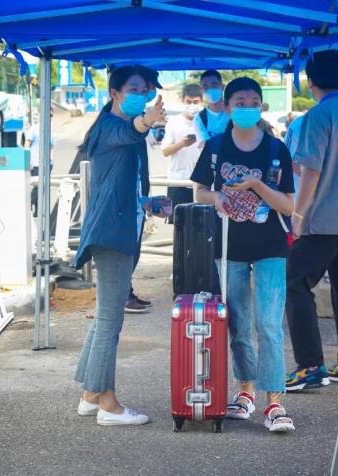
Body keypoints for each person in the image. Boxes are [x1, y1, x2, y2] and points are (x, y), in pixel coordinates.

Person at [191, 77, 296, 432]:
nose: (247, 106)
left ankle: (275, 402)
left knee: (268, 324)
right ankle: (246, 391)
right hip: (228, 247)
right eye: (240, 101)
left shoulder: (276, 149)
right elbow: (200, 192)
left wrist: (256, 185)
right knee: (237, 324)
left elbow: (288, 205)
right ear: (228, 105)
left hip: (271, 247)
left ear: (261, 106)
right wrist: (218, 198)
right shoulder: (216, 147)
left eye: (253, 100)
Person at [72, 66, 169, 426]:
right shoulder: (111, 127)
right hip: (111, 236)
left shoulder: (117, 131)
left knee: (104, 320)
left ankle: (90, 394)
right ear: (115, 92)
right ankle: (108, 405)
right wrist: (147, 120)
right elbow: (131, 130)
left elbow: (120, 183)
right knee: (110, 321)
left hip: (118, 230)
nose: (141, 95)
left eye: (145, 90)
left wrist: (148, 202)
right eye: (134, 89)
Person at [285, 50, 338, 391]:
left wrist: (298, 214)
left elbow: (311, 171)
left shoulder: (317, 117)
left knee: (295, 283)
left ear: (311, 81)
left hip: (323, 217)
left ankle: (309, 366)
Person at [124, 65, 163, 314]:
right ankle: (123, 294)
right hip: (126, 202)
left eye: (146, 90)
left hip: (138, 197)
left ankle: (125, 292)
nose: (146, 94)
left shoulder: (138, 122)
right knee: (127, 251)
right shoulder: (122, 123)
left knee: (134, 250)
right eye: (138, 89)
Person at [161, 83, 202, 220]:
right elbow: (165, 151)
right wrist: (181, 144)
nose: (192, 105)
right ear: (183, 101)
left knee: (202, 224)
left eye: (195, 102)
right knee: (178, 225)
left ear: (201, 101)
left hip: (202, 184)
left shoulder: (206, 122)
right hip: (178, 181)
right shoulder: (174, 122)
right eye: (188, 102)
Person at [193, 70, 230, 144]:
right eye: (205, 86)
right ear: (201, 90)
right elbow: (205, 146)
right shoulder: (200, 118)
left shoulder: (235, 111)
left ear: (222, 87)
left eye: (214, 85)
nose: (210, 89)